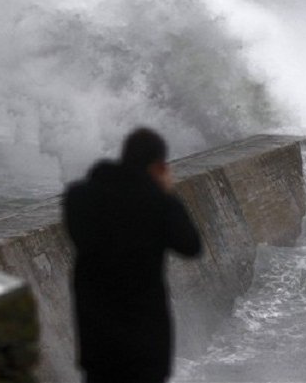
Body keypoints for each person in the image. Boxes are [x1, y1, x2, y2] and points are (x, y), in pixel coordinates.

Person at [63, 128, 202, 383]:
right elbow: (191, 245)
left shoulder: (79, 196)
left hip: (97, 340)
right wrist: (168, 193)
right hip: (145, 343)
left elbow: (79, 234)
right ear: (159, 165)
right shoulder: (158, 202)